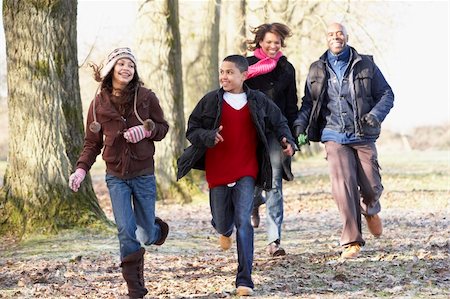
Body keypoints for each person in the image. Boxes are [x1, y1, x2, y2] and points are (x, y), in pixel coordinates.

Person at [177, 55, 295, 296]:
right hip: (218, 169)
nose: (224, 76)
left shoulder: (258, 100)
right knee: (223, 221)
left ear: (244, 75)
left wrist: (287, 139)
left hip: (246, 169)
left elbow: (279, 121)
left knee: (244, 222)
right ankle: (223, 230)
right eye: (222, 72)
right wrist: (208, 136)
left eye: (230, 72)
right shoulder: (210, 101)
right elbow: (192, 129)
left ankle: (245, 279)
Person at [69, 47, 170, 298]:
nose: (127, 68)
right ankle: (135, 289)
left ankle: (158, 231)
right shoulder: (98, 104)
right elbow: (92, 143)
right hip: (116, 177)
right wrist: (81, 170)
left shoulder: (146, 97)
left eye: (131, 65)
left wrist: (146, 131)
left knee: (145, 234)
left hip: (143, 173)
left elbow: (163, 128)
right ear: (111, 68)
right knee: (125, 231)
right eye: (122, 64)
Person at [293, 23, 394, 259]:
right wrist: (300, 125)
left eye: (339, 34)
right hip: (333, 133)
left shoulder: (365, 64)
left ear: (347, 37)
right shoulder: (317, 69)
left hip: (362, 132)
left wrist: (375, 115)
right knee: (343, 184)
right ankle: (351, 241)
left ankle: (369, 209)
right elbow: (309, 103)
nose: (335, 37)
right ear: (326, 39)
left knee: (371, 185)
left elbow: (387, 94)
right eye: (330, 34)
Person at [245, 23, 298, 257]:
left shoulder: (287, 69)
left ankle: (273, 239)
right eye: (269, 42)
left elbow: (290, 105)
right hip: (248, 130)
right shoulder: (245, 65)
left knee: (274, 182)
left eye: (277, 42)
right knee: (252, 179)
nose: (273, 46)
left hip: (276, 131)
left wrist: (291, 137)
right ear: (260, 42)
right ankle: (255, 202)